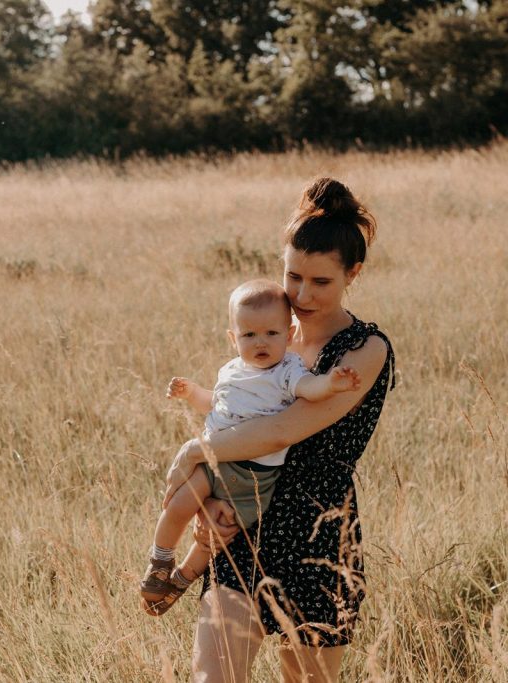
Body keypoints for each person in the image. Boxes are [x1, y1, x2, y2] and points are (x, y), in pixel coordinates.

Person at [162, 177, 395, 682]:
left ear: (353, 273)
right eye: (293, 277)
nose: (302, 294)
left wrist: (196, 451)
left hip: (318, 532)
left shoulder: (364, 350)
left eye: (321, 282)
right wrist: (210, 496)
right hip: (243, 518)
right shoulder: (263, 335)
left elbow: (278, 431)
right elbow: (230, 413)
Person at [140, 279, 362, 616]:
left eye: (272, 334)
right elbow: (216, 405)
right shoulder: (231, 371)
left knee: (217, 536)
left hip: (253, 477)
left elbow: (309, 389)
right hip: (216, 462)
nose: (261, 342)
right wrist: (190, 393)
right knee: (178, 504)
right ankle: (160, 562)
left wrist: (330, 383)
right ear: (233, 338)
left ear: (289, 336)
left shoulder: (288, 371)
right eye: (249, 335)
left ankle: (182, 580)